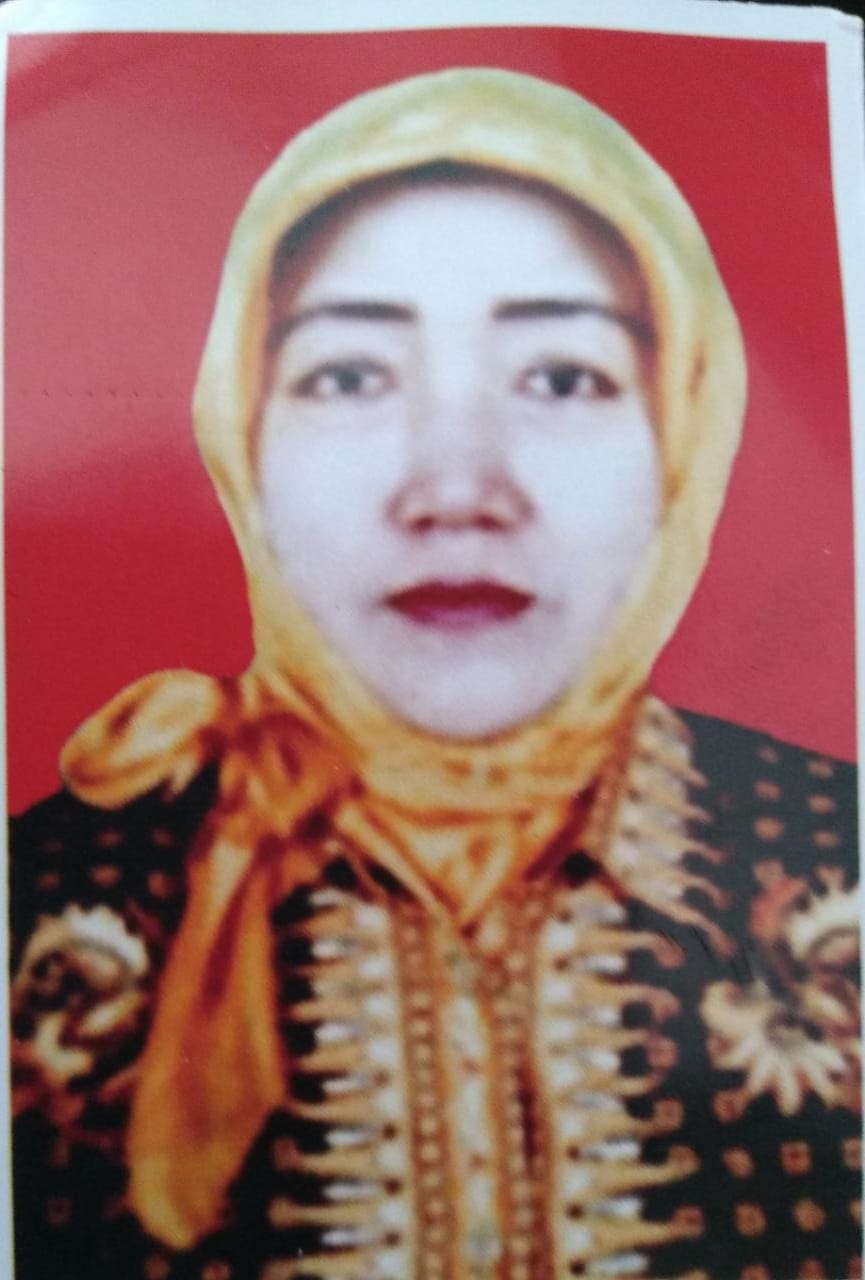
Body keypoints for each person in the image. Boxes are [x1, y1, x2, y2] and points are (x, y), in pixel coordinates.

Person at [9, 68, 860, 1280]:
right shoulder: (37, 904)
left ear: (683, 428)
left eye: (561, 377)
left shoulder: (838, 858)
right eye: (349, 376)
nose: (456, 488)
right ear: (242, 433)